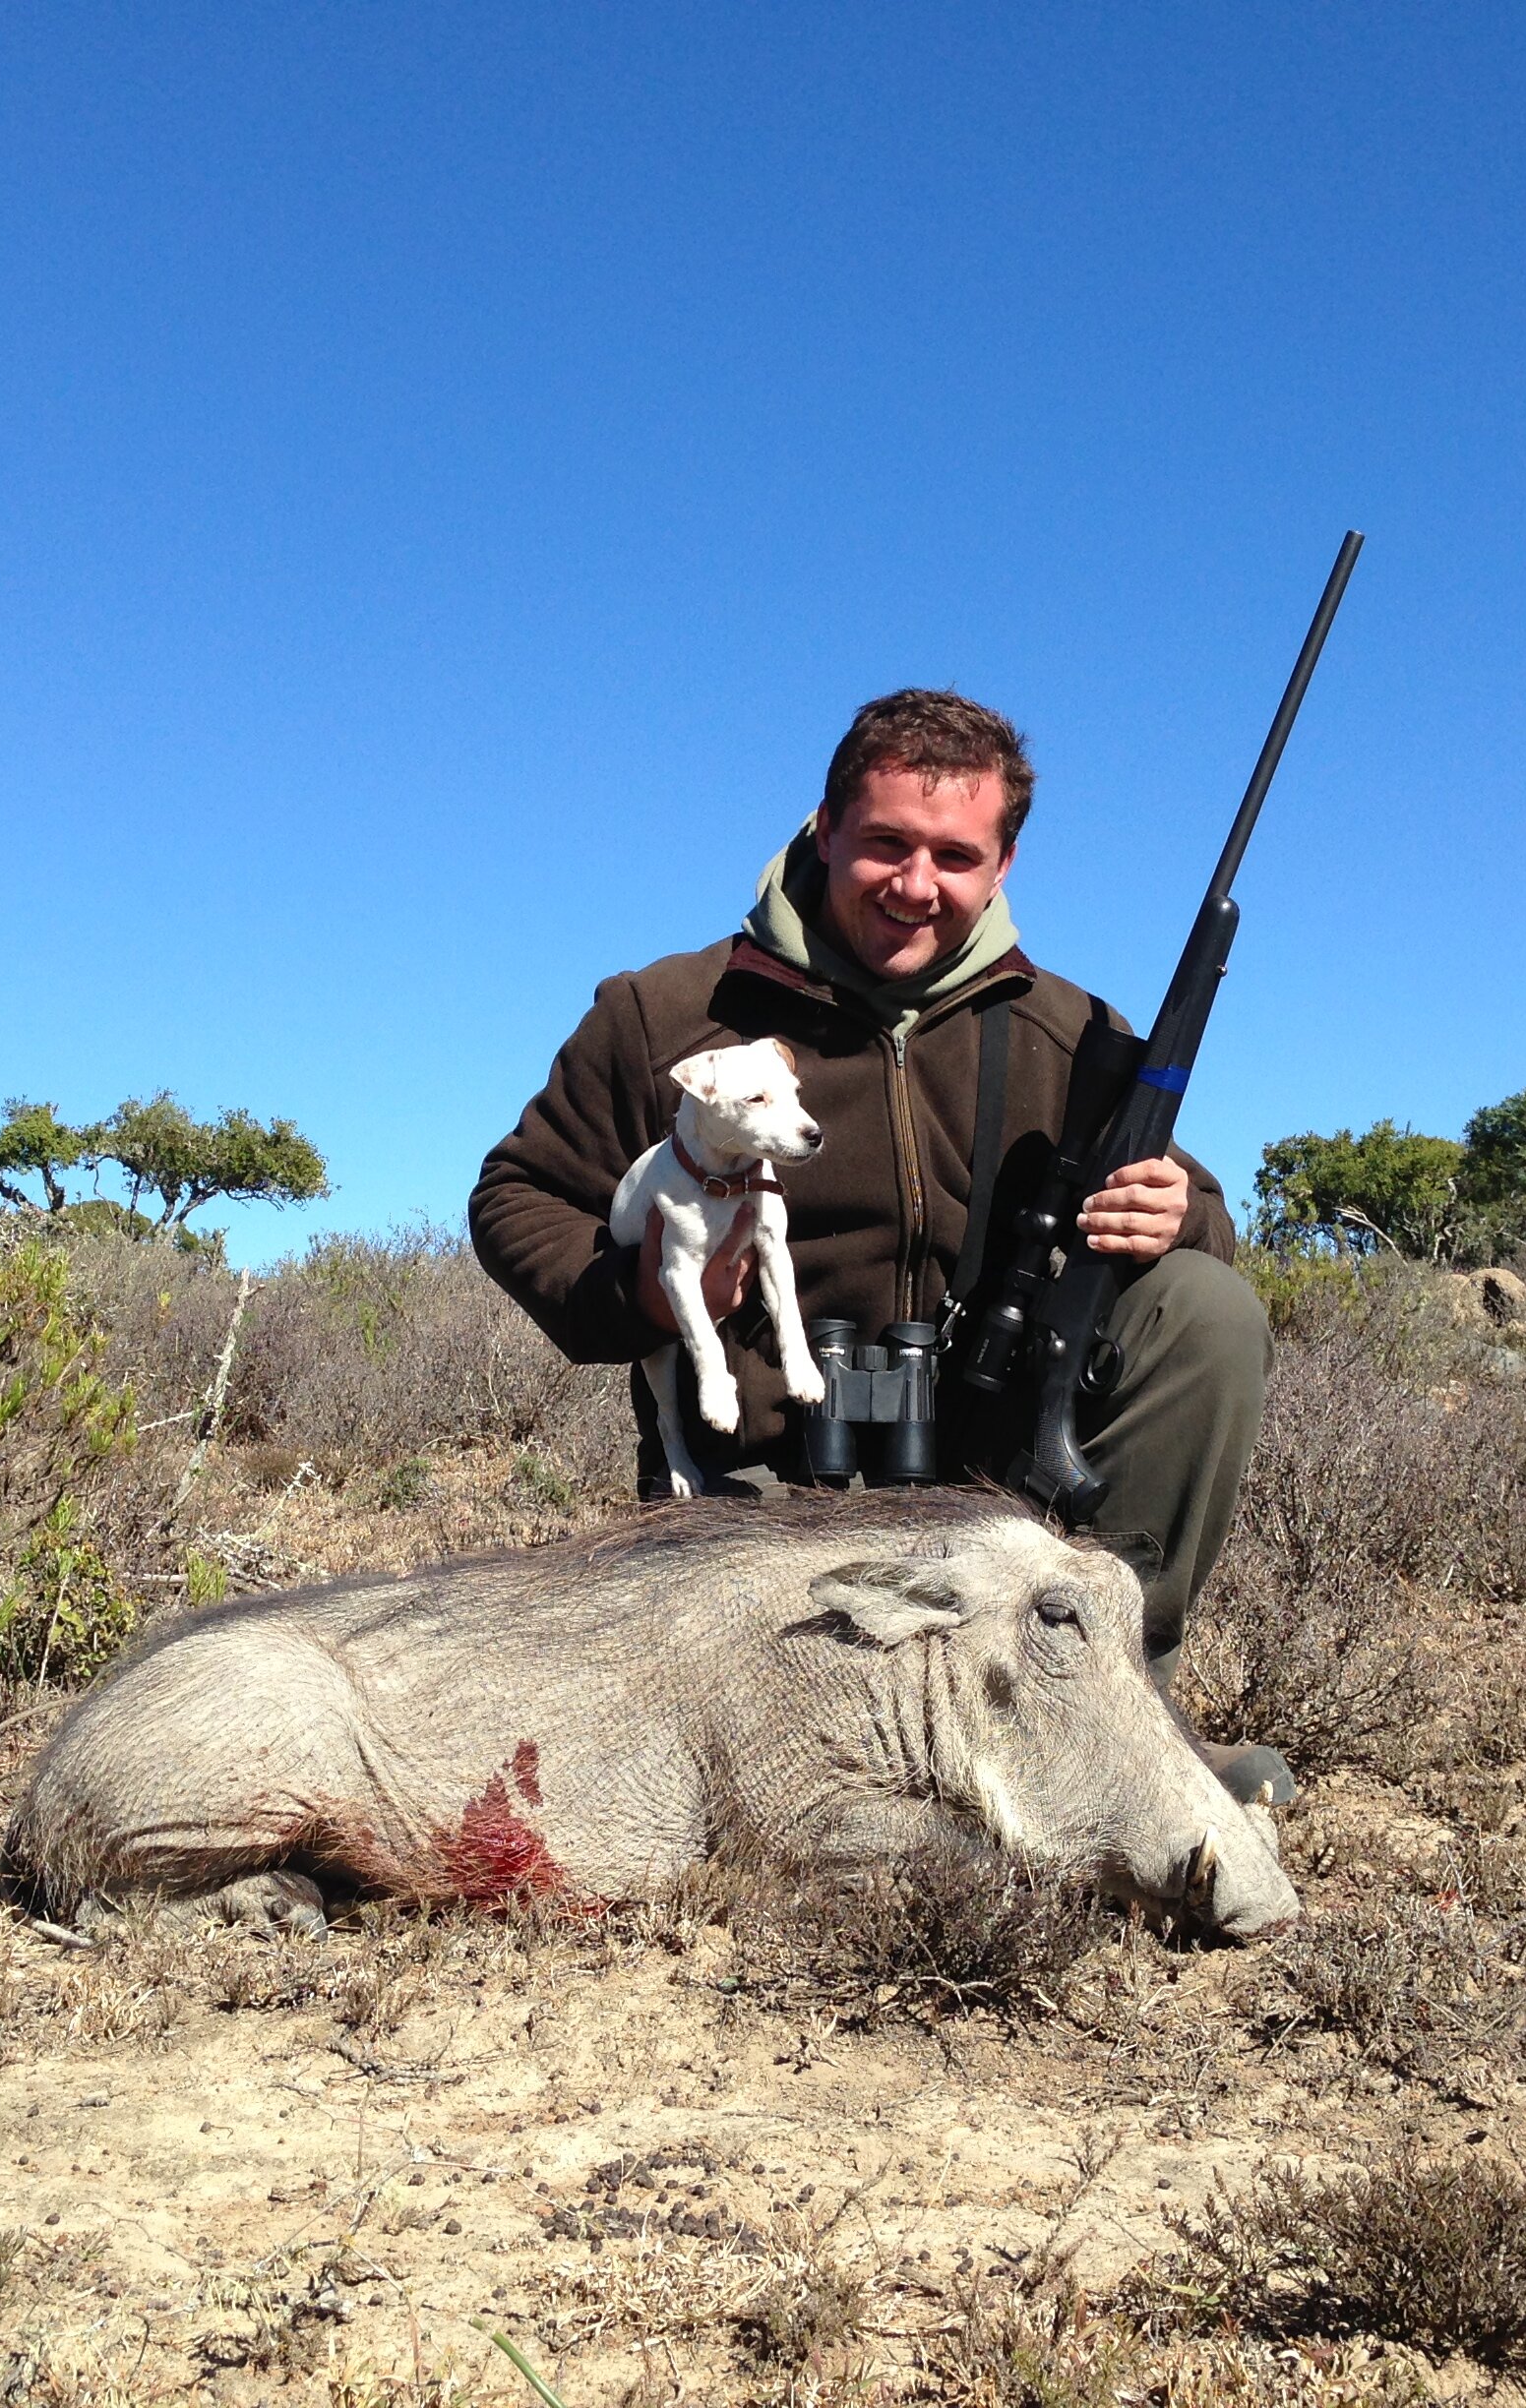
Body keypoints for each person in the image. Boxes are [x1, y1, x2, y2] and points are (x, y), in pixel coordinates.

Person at [469, 688, 1289, 1803]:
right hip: (759, 1495)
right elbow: (520, 1194)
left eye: (956, 856)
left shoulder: (1070, 1031)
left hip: (998, 1494)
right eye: (887, 845)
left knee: (1207, 1306)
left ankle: (1120, 1705)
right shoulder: (666, 1014)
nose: (917, 887)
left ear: (1001, 868)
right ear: (824, 829)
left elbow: (1191, 1199)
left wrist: (1178, 1214)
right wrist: (644, 1296)